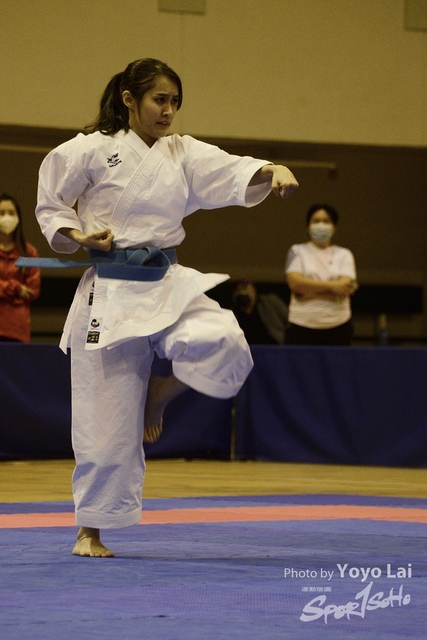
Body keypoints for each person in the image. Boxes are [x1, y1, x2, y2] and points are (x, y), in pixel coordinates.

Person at [32, 58, 298, 557]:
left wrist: (271, 168)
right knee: (104, 422)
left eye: (175, 101)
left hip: (164, 281)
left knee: (223, 339)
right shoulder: (88, 150)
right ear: (129, 100)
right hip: (109, 294)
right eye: (160, 100)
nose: (169, 110)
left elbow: (230, 169)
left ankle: (160, 393)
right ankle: (90, 531)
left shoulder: (182, 153)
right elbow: (51, 204)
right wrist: (79, 234)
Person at [285, 203, 357, 345]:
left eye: (326, 221)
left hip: (339, 325)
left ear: (334, 228)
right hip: (301, 325)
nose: (321, 225)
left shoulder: (345, 254)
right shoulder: (296, 251)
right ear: (308, 226)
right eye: (316, 221)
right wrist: (333, 289)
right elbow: (295, 284)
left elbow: (346, 287)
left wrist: (306, 293)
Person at [0, 194, 40, 342]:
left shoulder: (29, 252)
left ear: (18, 218)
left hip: (18, 328)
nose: (6, 218)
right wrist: (16, 289)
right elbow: (22, 291)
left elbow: (33, 291)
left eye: (11, 213)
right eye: (1, 213)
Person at [231, 279, 288, 344]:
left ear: (254, 290)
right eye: (238, 289)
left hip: (275, 347)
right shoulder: (231, 315)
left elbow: (290, 322)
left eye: (245, 287)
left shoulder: (270, 303)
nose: (242, 290)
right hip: (246, 349)